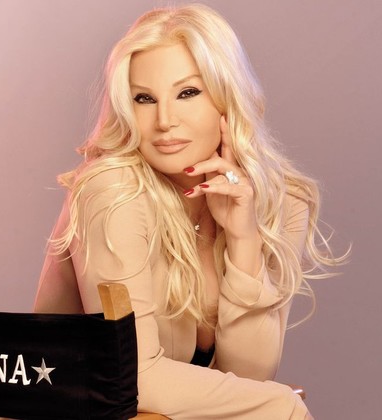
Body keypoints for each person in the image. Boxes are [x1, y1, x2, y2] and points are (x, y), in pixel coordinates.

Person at [34, 3, 346, 419]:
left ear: (226, 97)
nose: (164, 121)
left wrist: (243, 239)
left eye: (187, 93)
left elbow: (250, 374)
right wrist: (281, 405)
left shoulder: (281, 199)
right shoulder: (112, 190)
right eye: (144, 98)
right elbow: (135, 375)